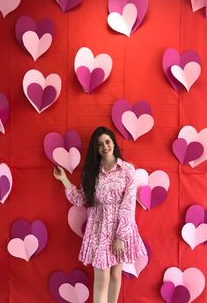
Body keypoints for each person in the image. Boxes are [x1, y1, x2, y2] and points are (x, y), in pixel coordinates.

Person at [53, 126, 147, 303]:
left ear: (113, 142)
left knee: (116, 276)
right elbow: (81, 199)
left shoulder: (127, 169)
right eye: (99, 144)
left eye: (107, 142)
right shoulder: (91, 172)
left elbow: (128, 204)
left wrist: (120, 236)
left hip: (121, 227)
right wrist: (64, 179)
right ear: (95, 149)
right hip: (99, 228)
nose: (105, 146)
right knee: (102, 278)